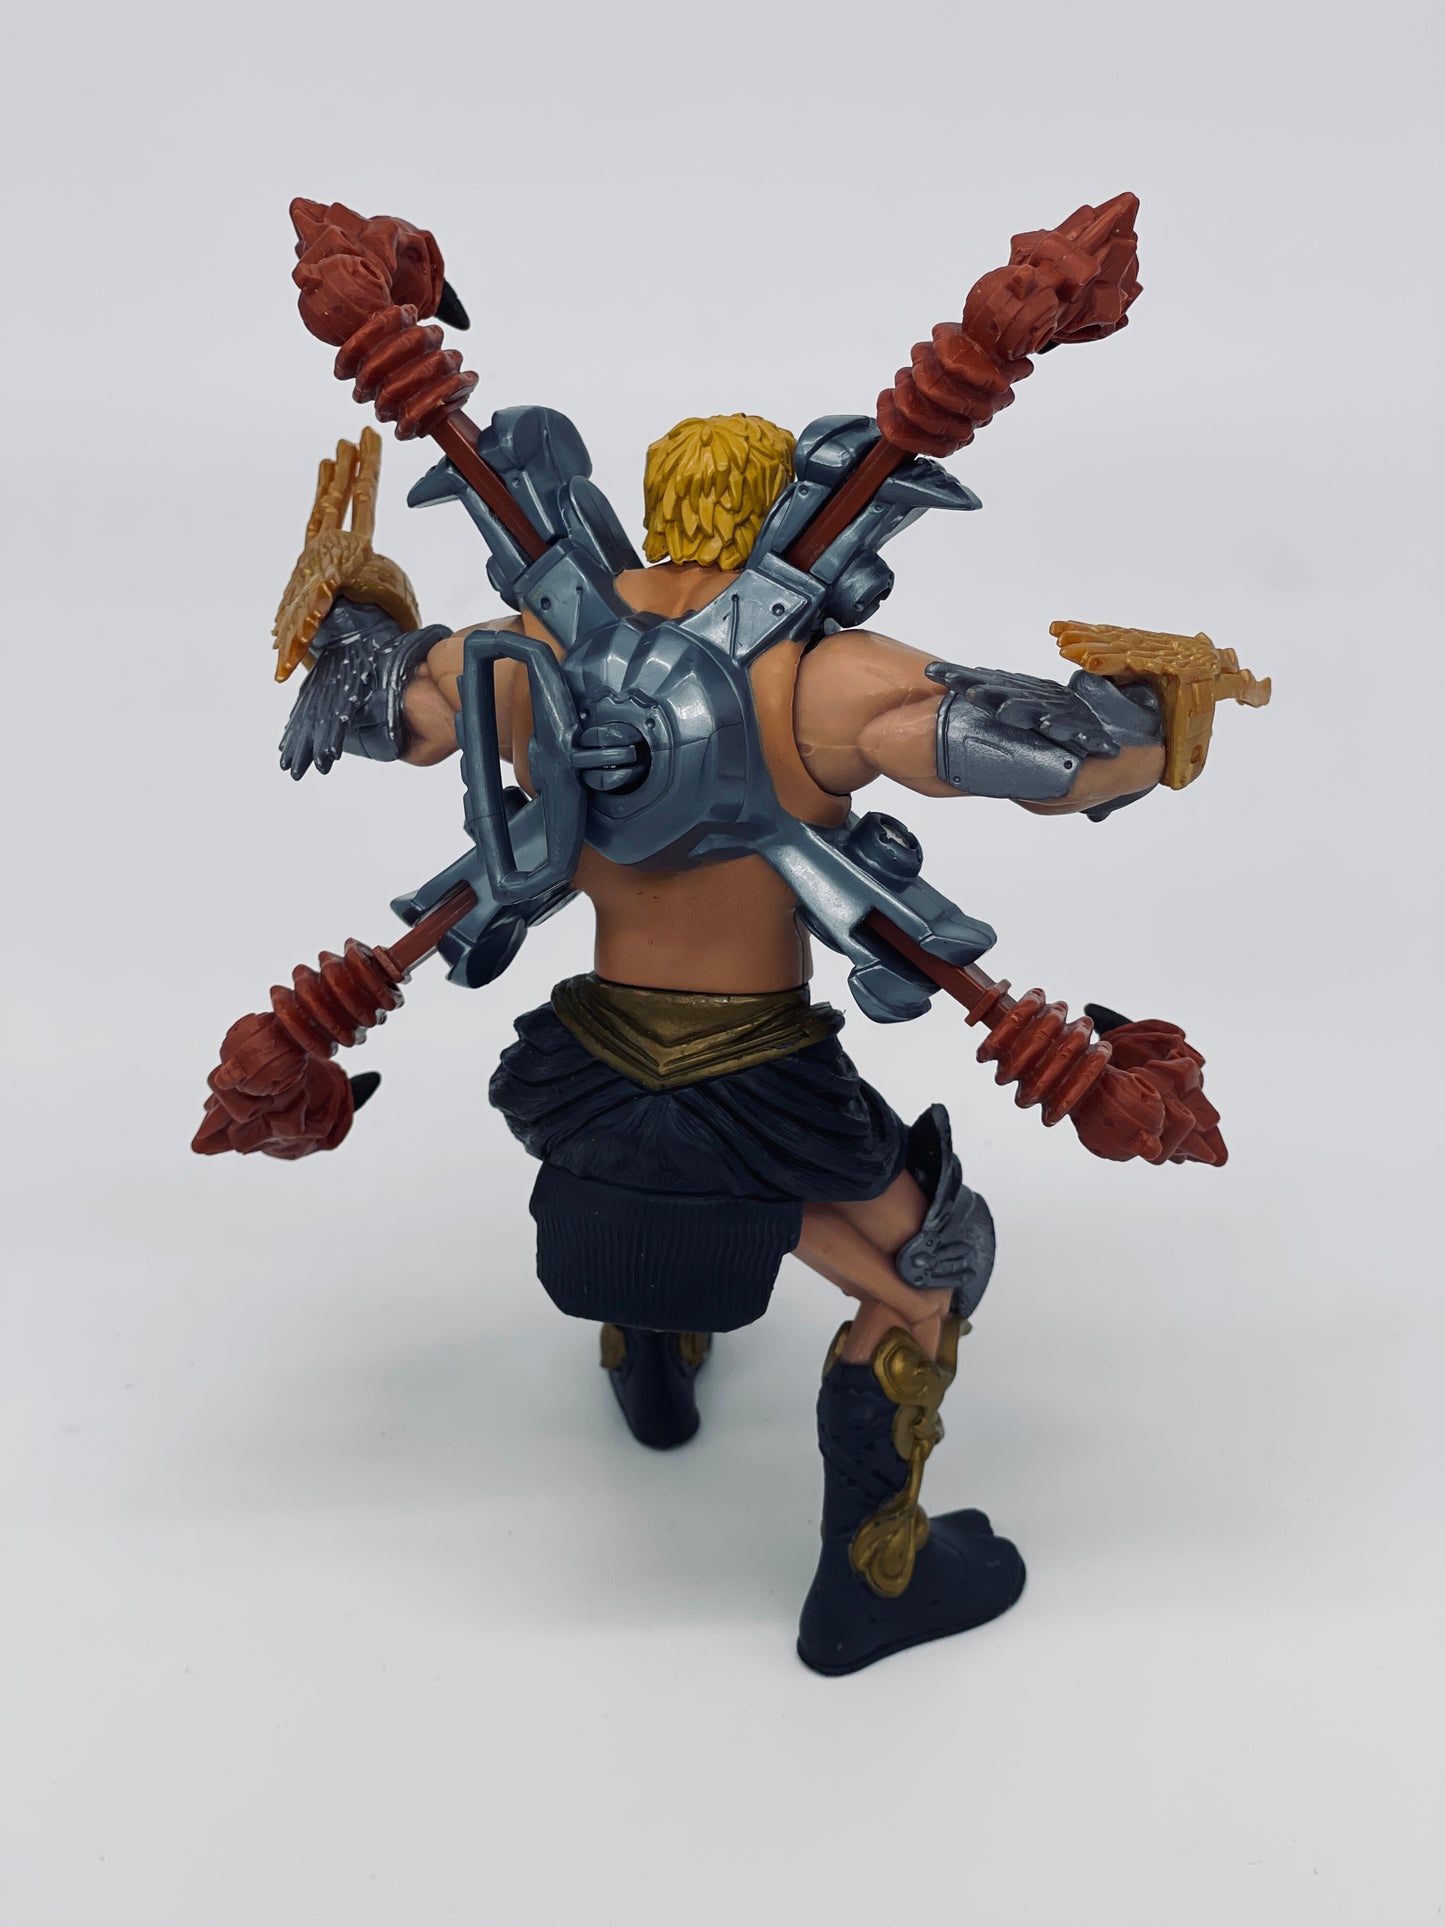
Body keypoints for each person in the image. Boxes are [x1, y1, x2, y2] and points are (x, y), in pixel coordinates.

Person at [257, 410, 1165, 1673]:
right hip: (761, 1090)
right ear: (776, 510)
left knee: (677, 1166)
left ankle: (652, 1357)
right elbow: (1050, 763)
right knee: (929, 1272)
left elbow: (380, 703)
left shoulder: (529, 651)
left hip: (583, 1074)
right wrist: (1155, 718)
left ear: (652, 503)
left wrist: (349, 616)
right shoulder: (822, 680)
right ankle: (874, 1577)